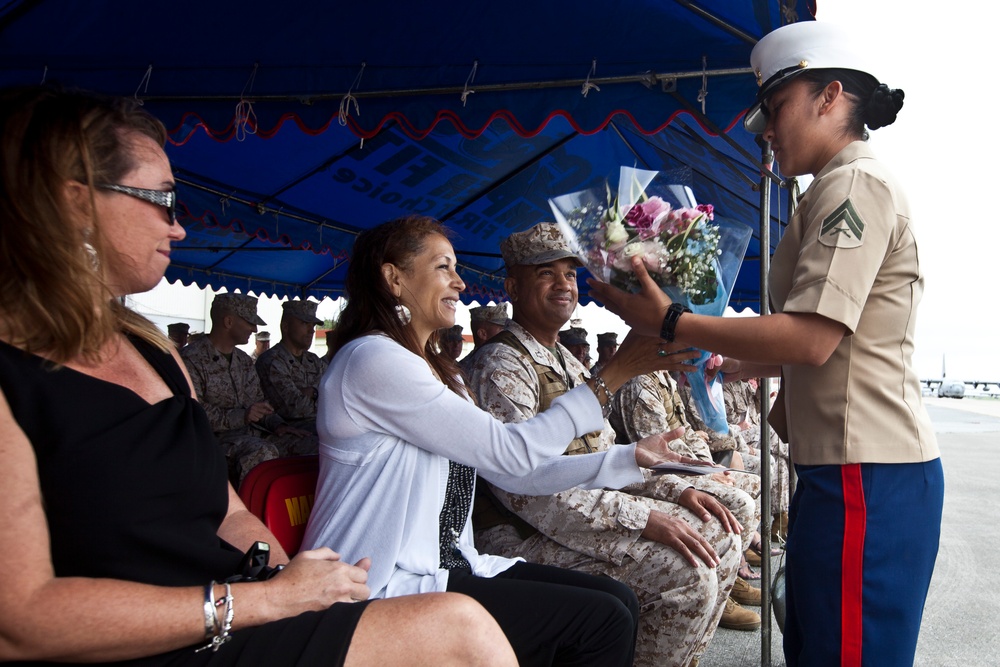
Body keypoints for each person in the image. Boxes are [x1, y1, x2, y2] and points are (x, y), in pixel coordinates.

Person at [0, 84, 517, 667]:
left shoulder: (152, 353)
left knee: (464, 626)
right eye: (163, 201)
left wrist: (290, 582)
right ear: (76, 204)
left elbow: (228, 513)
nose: (178, 229)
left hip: (233, 612)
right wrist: (262, 603)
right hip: (144, 641)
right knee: (459, 630)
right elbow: (21, 619)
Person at [588, 20, 942, 667]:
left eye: (776, 109)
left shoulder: (852, 185)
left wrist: (675, 322)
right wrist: (723, 359)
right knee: (820, 645)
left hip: (868, 468)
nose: (767, 130)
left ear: (830, 96)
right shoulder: (828, 190)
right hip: (843, 466)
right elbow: (824, 342)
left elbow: (811, 337)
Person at [301, 215, 699, 667]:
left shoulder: (440, 372)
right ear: (394, 278)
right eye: (443, 268)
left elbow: (515, 468)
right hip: (378, 582)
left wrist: (628, 457)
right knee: (601, 619)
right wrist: (613, 374)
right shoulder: (373, 359)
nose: (460, 282)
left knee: (616, 601)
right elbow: (511, 451)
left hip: (447, 563)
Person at [465, 222, 753, 665]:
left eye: (569, 273)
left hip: (582, 511)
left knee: (724, 532)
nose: (563, 283)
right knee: (689, 572)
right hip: (517, 532)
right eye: (545, 273)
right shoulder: (500, 363)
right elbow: (521, 490)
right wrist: (642, 519)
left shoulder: (566, 362)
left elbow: (605, 459)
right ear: (512, 286)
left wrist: (677, 490)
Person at [182, 292, 318, 484]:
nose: (254, 329)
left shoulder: (243, 361)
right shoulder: (191, 359)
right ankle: (250, 511)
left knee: (312, 445)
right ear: (228, 322)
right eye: (249, 322)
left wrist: (279, 425)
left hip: (252, 434)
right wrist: (243, 416)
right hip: (212, 441)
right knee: (261, 452)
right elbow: (192, 412)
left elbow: (259, 404)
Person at [255, 299, 328, 433]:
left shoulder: (314, 360)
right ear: (286, 326)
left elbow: (335, 397)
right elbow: (292, 408)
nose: (311, 330)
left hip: (320, 424)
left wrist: (312, 393)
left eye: (313, 325)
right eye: (305, 323)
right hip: (288, 430)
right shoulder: (272, 360)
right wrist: (320, 395)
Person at [458, 303, 509, 374]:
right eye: (501, 329)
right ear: (482, 334)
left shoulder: (464, 365)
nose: (506, 333)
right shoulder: (492, 363)